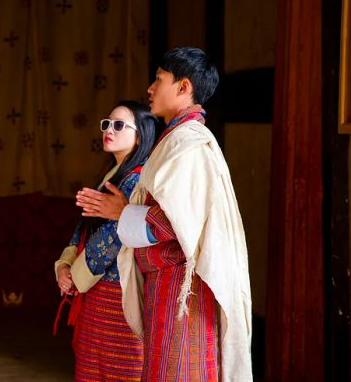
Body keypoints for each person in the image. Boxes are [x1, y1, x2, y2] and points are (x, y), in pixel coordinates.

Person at [76, 47, 252, 381]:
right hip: (166, 284)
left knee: (177, 372)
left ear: (184, 88)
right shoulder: (176, 138)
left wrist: (122, 212)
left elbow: (173, 222)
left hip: (181, 289)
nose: (150, 88)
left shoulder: (188, 143)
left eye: (159, 79)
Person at [54, 100, 157, 382]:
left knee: (121, 370)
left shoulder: (137, 180)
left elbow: (112, 237)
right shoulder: (113, 175)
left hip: (118, 296)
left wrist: (75, 276)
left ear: (141, 135)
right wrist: (64, 266)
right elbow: (84, 227)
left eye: (119, 124)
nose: (109, 129)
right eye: (107, 123)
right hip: (96, 294)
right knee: (91, 369)